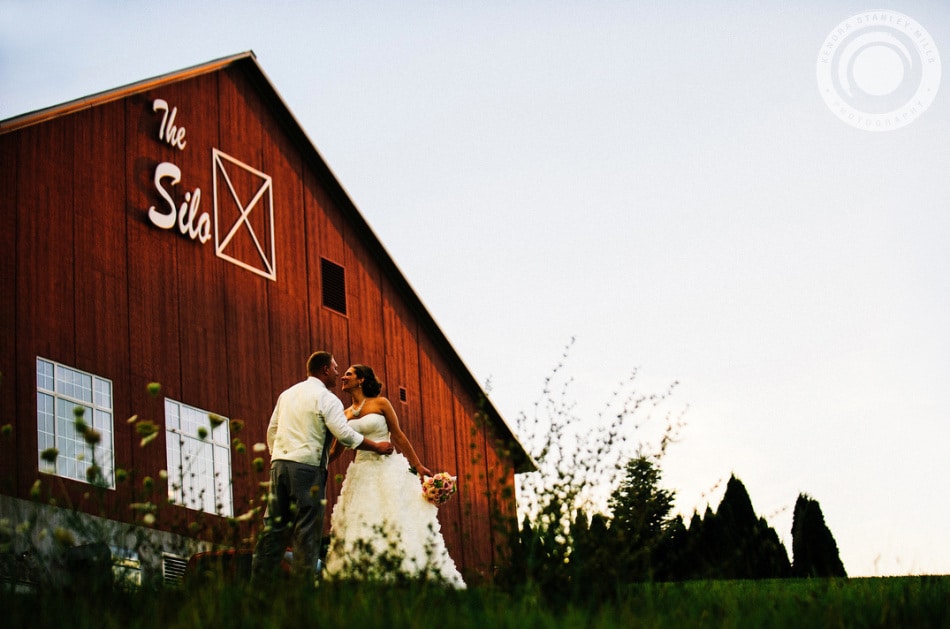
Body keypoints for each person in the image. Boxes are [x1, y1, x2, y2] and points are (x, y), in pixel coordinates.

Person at [251, 352, 394, 584]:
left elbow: (272, 430)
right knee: (306, 531)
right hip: (307, 470)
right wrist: (376, 446)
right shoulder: (327, 399)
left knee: (273, 529)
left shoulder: (286, 395)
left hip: (278, 467)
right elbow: (344, 434)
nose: (338, 374)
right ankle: (303, 593)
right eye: (336, 368)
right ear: (325, 369)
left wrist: (277, 456)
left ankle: (257, 587)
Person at [323, 364, 465, 588]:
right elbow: (335, 451)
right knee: (362, 524)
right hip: (361, 474)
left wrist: (418, 465)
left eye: (349, 374)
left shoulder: (381, 404)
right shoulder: (344, 414)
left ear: (361, 380)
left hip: (387, 469)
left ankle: (407, 577)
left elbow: (398, 435)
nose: (343, 378)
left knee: (395, 520)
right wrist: (315, 463)